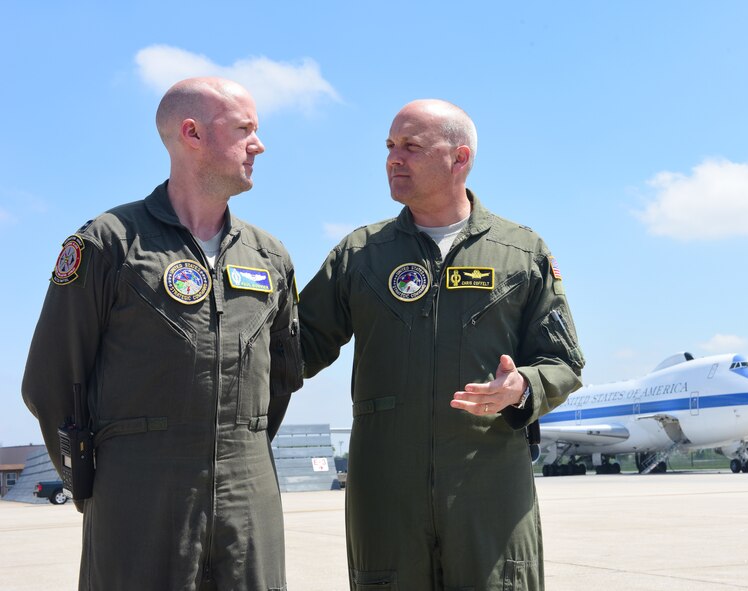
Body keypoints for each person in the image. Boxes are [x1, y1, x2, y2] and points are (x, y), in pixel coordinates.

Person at [22, 77, 302, 591]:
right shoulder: (109, 243)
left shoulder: (270, 257)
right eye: (244, 129)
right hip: (138, 498)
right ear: (191, 133)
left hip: (249, 498)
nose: (258, 144)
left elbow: (282, 379)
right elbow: (50, 381)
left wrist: (238, 446)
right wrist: (91, 484)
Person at [298, 99, 585, 590]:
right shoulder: (360, 255)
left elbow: (563, 363)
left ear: (460, 157)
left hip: (489, 489)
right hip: (386, 495)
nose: (394, 158)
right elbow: (294, 346)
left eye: (411, 146)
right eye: (390, 146)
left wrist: (522, 386)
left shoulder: (521, 252)